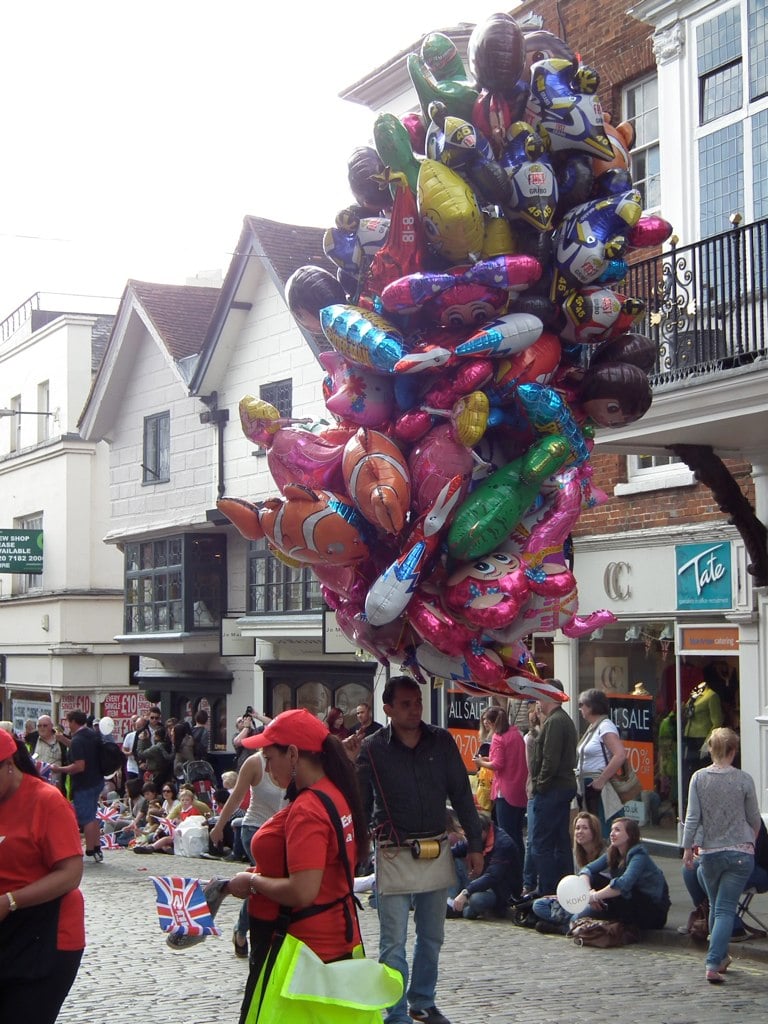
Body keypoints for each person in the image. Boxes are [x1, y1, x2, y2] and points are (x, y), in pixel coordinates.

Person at [219, 709, 371, 1024]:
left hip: (301, 948)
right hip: (327, 937)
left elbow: (303, 890)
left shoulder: (309, 808)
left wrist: (252, 882)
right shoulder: (332, 792)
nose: (265, 765)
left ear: (292, 754)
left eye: (268, 756)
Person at [357, 675, 483, 1024]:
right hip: (393, 850)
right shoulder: (372, 747)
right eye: (406, 704)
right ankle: (396, 1012)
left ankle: (423, 1001)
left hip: (434, 846)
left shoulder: (441, 740)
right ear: (388, 709)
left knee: (432, 936)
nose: (415, 710)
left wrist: (475, 844)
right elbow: (360, 803)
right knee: (392, 941)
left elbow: (461, 793)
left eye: (418, 703)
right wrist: (357, 847)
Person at [0, 728, 85, 1024]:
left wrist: (10, 900)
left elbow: (70, 874)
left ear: (9, 765)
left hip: (47, 933)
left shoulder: (46, 801)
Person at [682, 727, 761, 983]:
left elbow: (692, 817)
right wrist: (751, 840)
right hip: (740, 852)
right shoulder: (744, 779)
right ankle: (714, 962)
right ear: (733, 750)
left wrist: (687, 848)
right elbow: (754, 818)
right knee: (725, 909)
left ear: (711, 749)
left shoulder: (698, 778)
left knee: (718, 907)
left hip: (709, 853)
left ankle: (721, 957)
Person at [209, 749, 284, 958]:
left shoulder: (292, 760)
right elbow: (236, 797)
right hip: (255, 830)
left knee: (264, 883)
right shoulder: (254, 762)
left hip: (281, 833)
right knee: (262, 879)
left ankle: (245, 930)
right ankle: (243, 931)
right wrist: (219, 826)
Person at [529, 680, 577, 898]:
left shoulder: (556, 721)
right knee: (560, 842)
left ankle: (548, 890)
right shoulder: (560, 719)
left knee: (541, 844)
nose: (538, 700)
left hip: (552, 790)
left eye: (540, 695)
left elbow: (550, 760)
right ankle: (564, 889)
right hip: (559, 788)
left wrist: (539, 786)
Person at [578, 817, 670, 931]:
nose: (612, 834)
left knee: (619, 888)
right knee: (594, 878)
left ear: (629, 835)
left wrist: (594, 896)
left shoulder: (639, 854)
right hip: (628, 903)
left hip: (651, 911)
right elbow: (587, 870)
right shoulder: (613, 851)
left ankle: (612, 919)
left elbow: (623, 884)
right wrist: (588, 892)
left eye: (617, 830)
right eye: (612, 830)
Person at [528, 811, 605, 933]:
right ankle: (570, 925)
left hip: (595, 901)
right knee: (539, 905)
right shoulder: (576, 855)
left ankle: (564, 928)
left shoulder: (604, 855)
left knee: (578, 915)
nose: (579, 832)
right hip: (578, 900)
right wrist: (562, 897)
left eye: (585, 828)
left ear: (594, 832)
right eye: (577, 828)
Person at [473, 705, 527, 867]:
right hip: (520, 789)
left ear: (491, 723)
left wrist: (480, 762)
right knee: (517, 833)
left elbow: (497, 764)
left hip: (504, 791)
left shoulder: (498, 737)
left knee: (505, 833)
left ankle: (509, 867)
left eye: (486, 721)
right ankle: (520, 867)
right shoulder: (516, 734)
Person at [50, 710, 105, 863]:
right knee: (92, 814)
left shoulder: (78, 739)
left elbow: (79, 765)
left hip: (84, 783)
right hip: (97, 779)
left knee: (86, 818)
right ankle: (97, 847)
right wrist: (64, 740)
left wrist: (59, 769)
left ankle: (90, 850)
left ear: (73, 722)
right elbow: (79, 748)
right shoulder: (91, 734)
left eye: (68, 722)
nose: (68, 725)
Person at [575, 688, 627, 837]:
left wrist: (601, 781)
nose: (580, 708)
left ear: (591, 706)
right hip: (590, 786)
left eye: (582, 704)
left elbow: (620, 754)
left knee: (602, 829)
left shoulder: (605, 726)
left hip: (599, 787)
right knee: (594, 829)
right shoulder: (594, 727)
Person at [450, 811, 520, 919]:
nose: (468, 837)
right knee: (452, 860)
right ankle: (452, 903)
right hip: (479, 881)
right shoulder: (475, 838)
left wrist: (466, 892)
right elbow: (455, 851)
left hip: (497, 890)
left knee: (477, 900)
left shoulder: (503, 844)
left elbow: (492, 876)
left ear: (483, 831)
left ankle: (463, 907)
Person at [682, 679, 723, 803]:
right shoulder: (695, 693)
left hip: (702, 738)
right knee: (689, 771)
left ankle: (706, 800)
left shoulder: (711, 696)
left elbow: (717, 721)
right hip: (689, 738)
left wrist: (707, 743)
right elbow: (687, 713)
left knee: (702, 771)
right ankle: (689, 800)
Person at [33, 715, 69, 794]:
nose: (42, 728)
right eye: (39, 726)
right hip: (37, 784)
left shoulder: (60, 739)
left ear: (51, 726)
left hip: (55, 786)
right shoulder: (33, 738)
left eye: (45, 725)